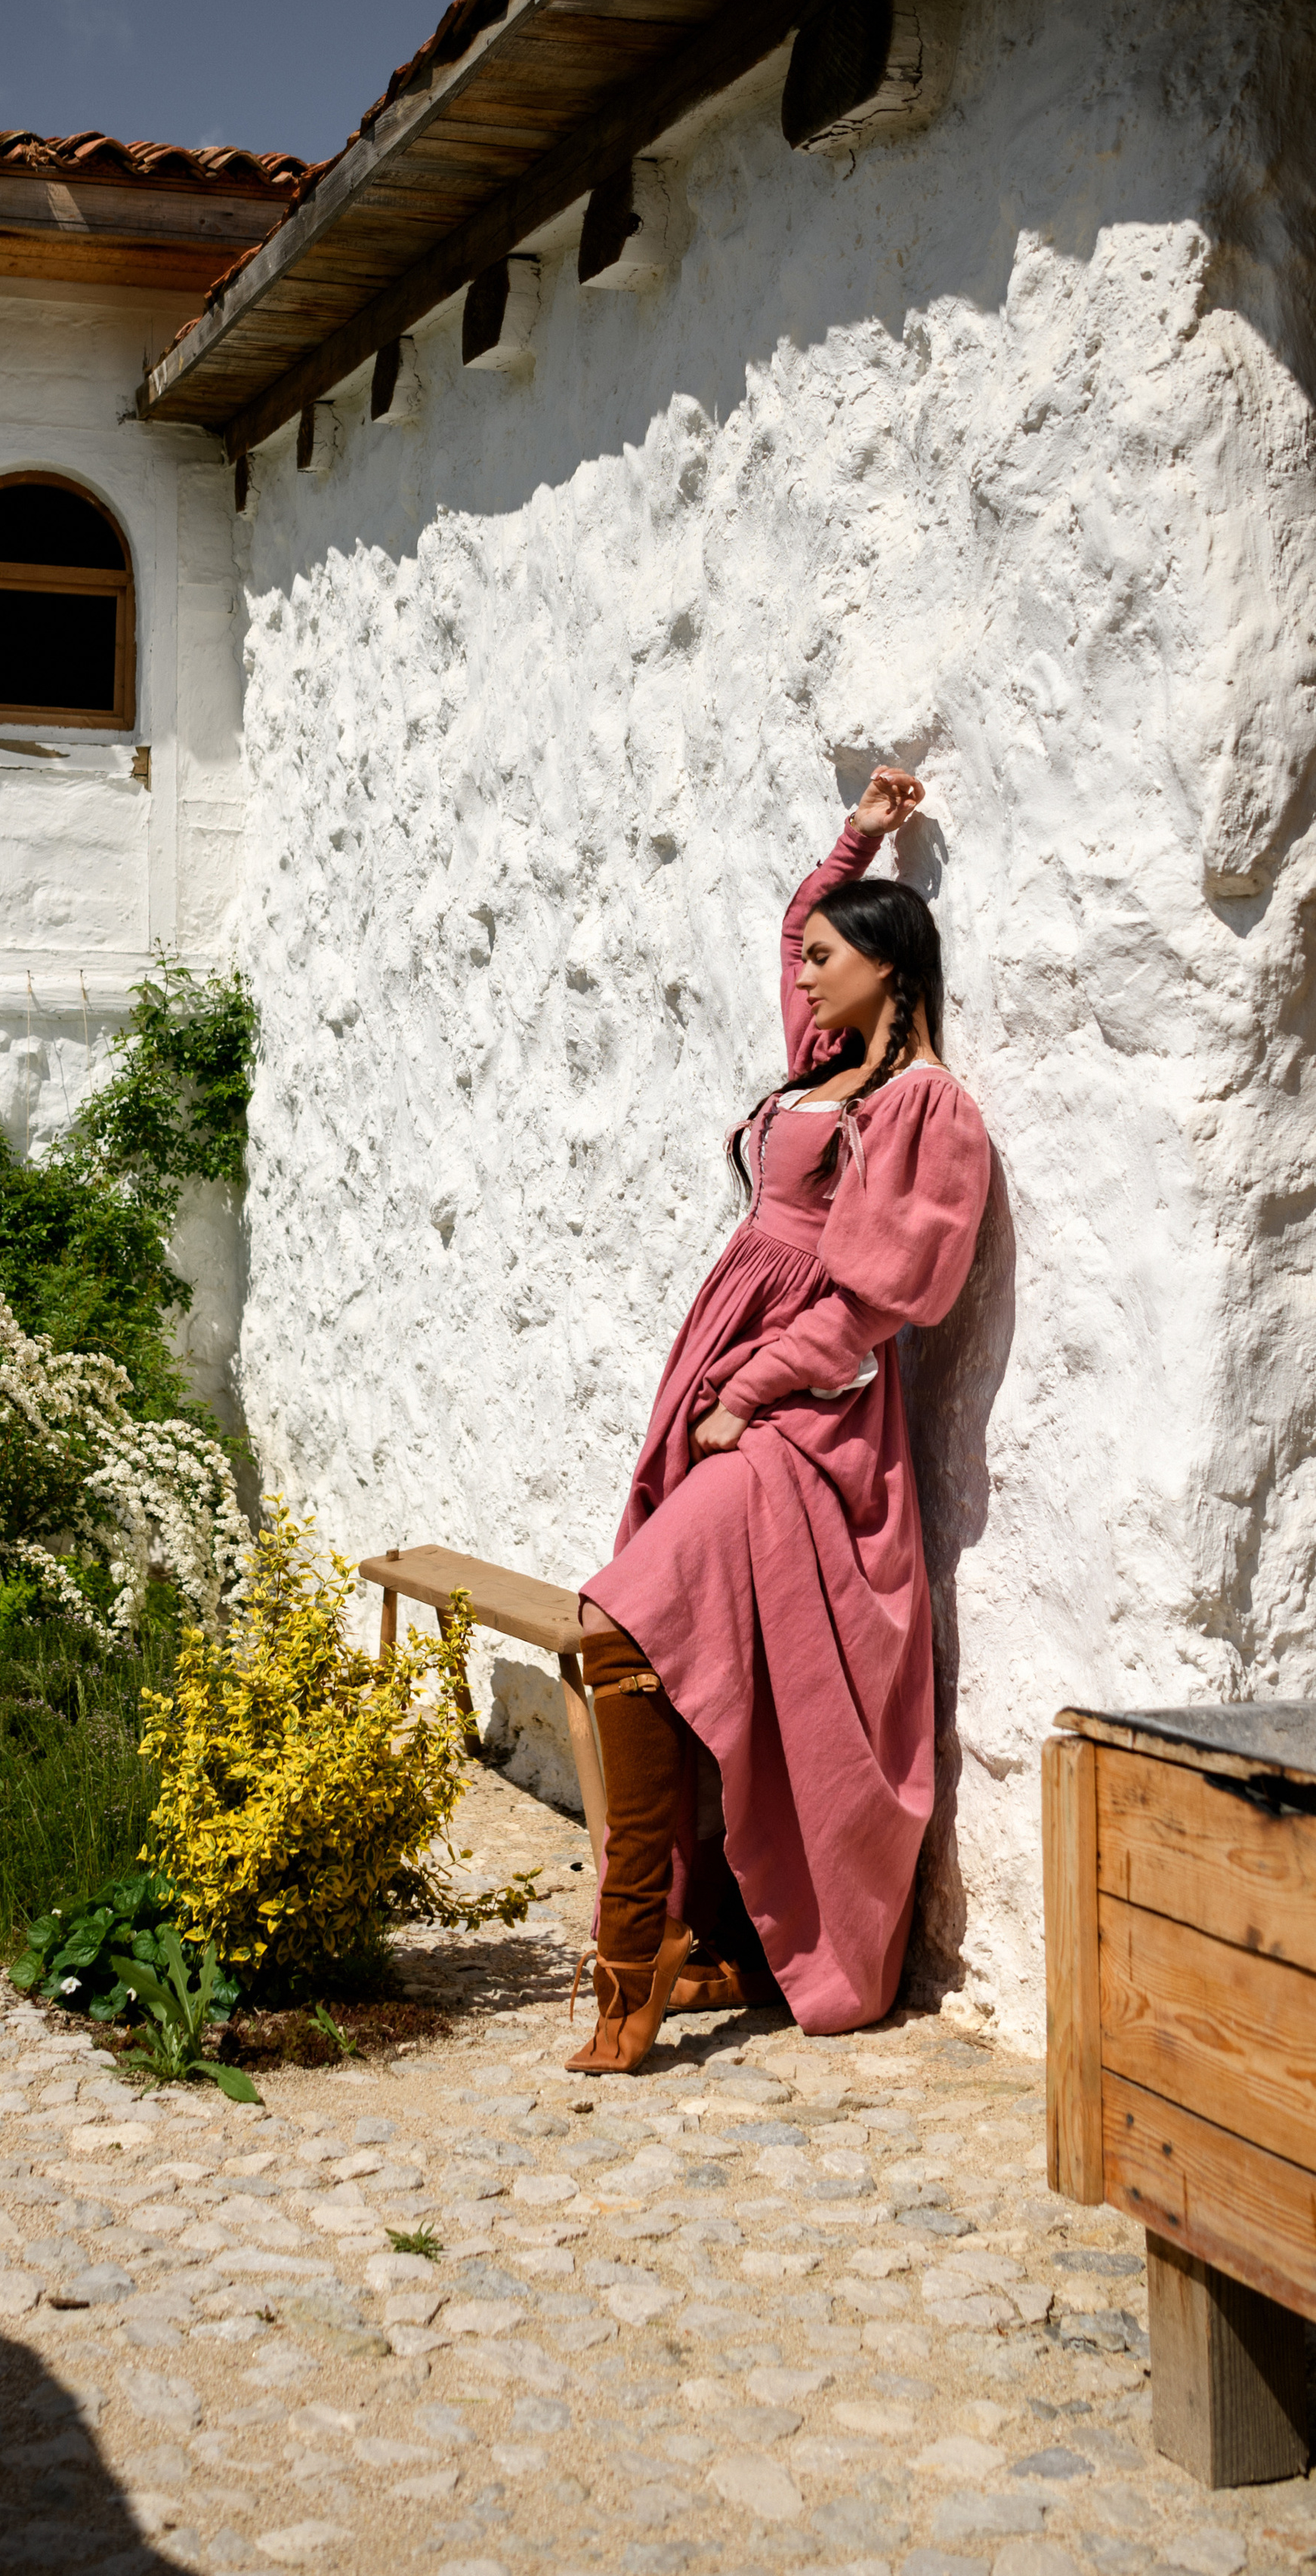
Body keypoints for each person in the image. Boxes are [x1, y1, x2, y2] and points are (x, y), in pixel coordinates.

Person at [567, 767, 992, 2072]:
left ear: (888, 967)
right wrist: (863, 835)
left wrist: (746, 1391)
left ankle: (631, 1963)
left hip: (810, 1424)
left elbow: (877, 1305)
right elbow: (805, 912)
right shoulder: (824, 1065)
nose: (802, 977)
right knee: (661, 1640)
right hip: (731, 1371)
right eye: (802, 961)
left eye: (825, 960)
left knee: (621, 1622)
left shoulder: (920, 1106)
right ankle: (699, 1947)